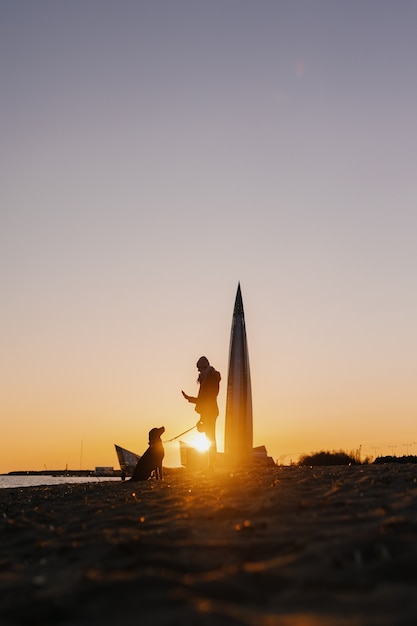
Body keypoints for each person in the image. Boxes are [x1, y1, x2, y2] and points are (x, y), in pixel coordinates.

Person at [182, 356, 221, 470]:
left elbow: (207, 398)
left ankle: (211, 465)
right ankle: (211, 464)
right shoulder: (207, 378)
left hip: (210, 411)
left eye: (199, 368)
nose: (198, 371)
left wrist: (191, 399)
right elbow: (204, 399)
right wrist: (191, 399)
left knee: (210, 438)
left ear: (204, 367)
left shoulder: (210, 378)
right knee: (210, 437)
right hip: (208, 411)